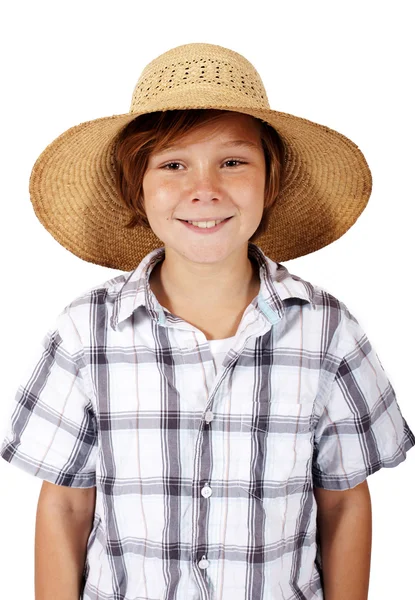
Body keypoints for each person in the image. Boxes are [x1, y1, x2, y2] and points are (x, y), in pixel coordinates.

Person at [1, 42, 414, 600]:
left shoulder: (327, 330)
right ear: (136, 188)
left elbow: (342, 499)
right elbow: (68, 502)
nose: (206, 189)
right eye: (173, 165)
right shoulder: (86, 332)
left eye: (233, 161)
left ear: (270, 182)